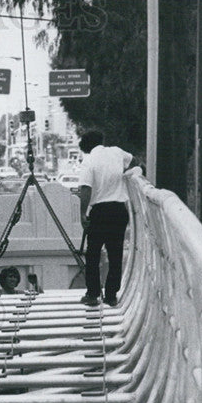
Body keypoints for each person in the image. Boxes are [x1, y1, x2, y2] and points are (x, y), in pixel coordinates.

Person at [76, 129, 143, 307]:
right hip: (119, 211)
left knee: (93, 254)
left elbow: (85, 189)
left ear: (86, 146)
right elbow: (134, 161)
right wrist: (124, 174)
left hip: (100, 211)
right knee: (115, 254)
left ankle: (92, 294)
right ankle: (111, 295)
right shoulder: (117, 152)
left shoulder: (89, 160)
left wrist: (83, 213)